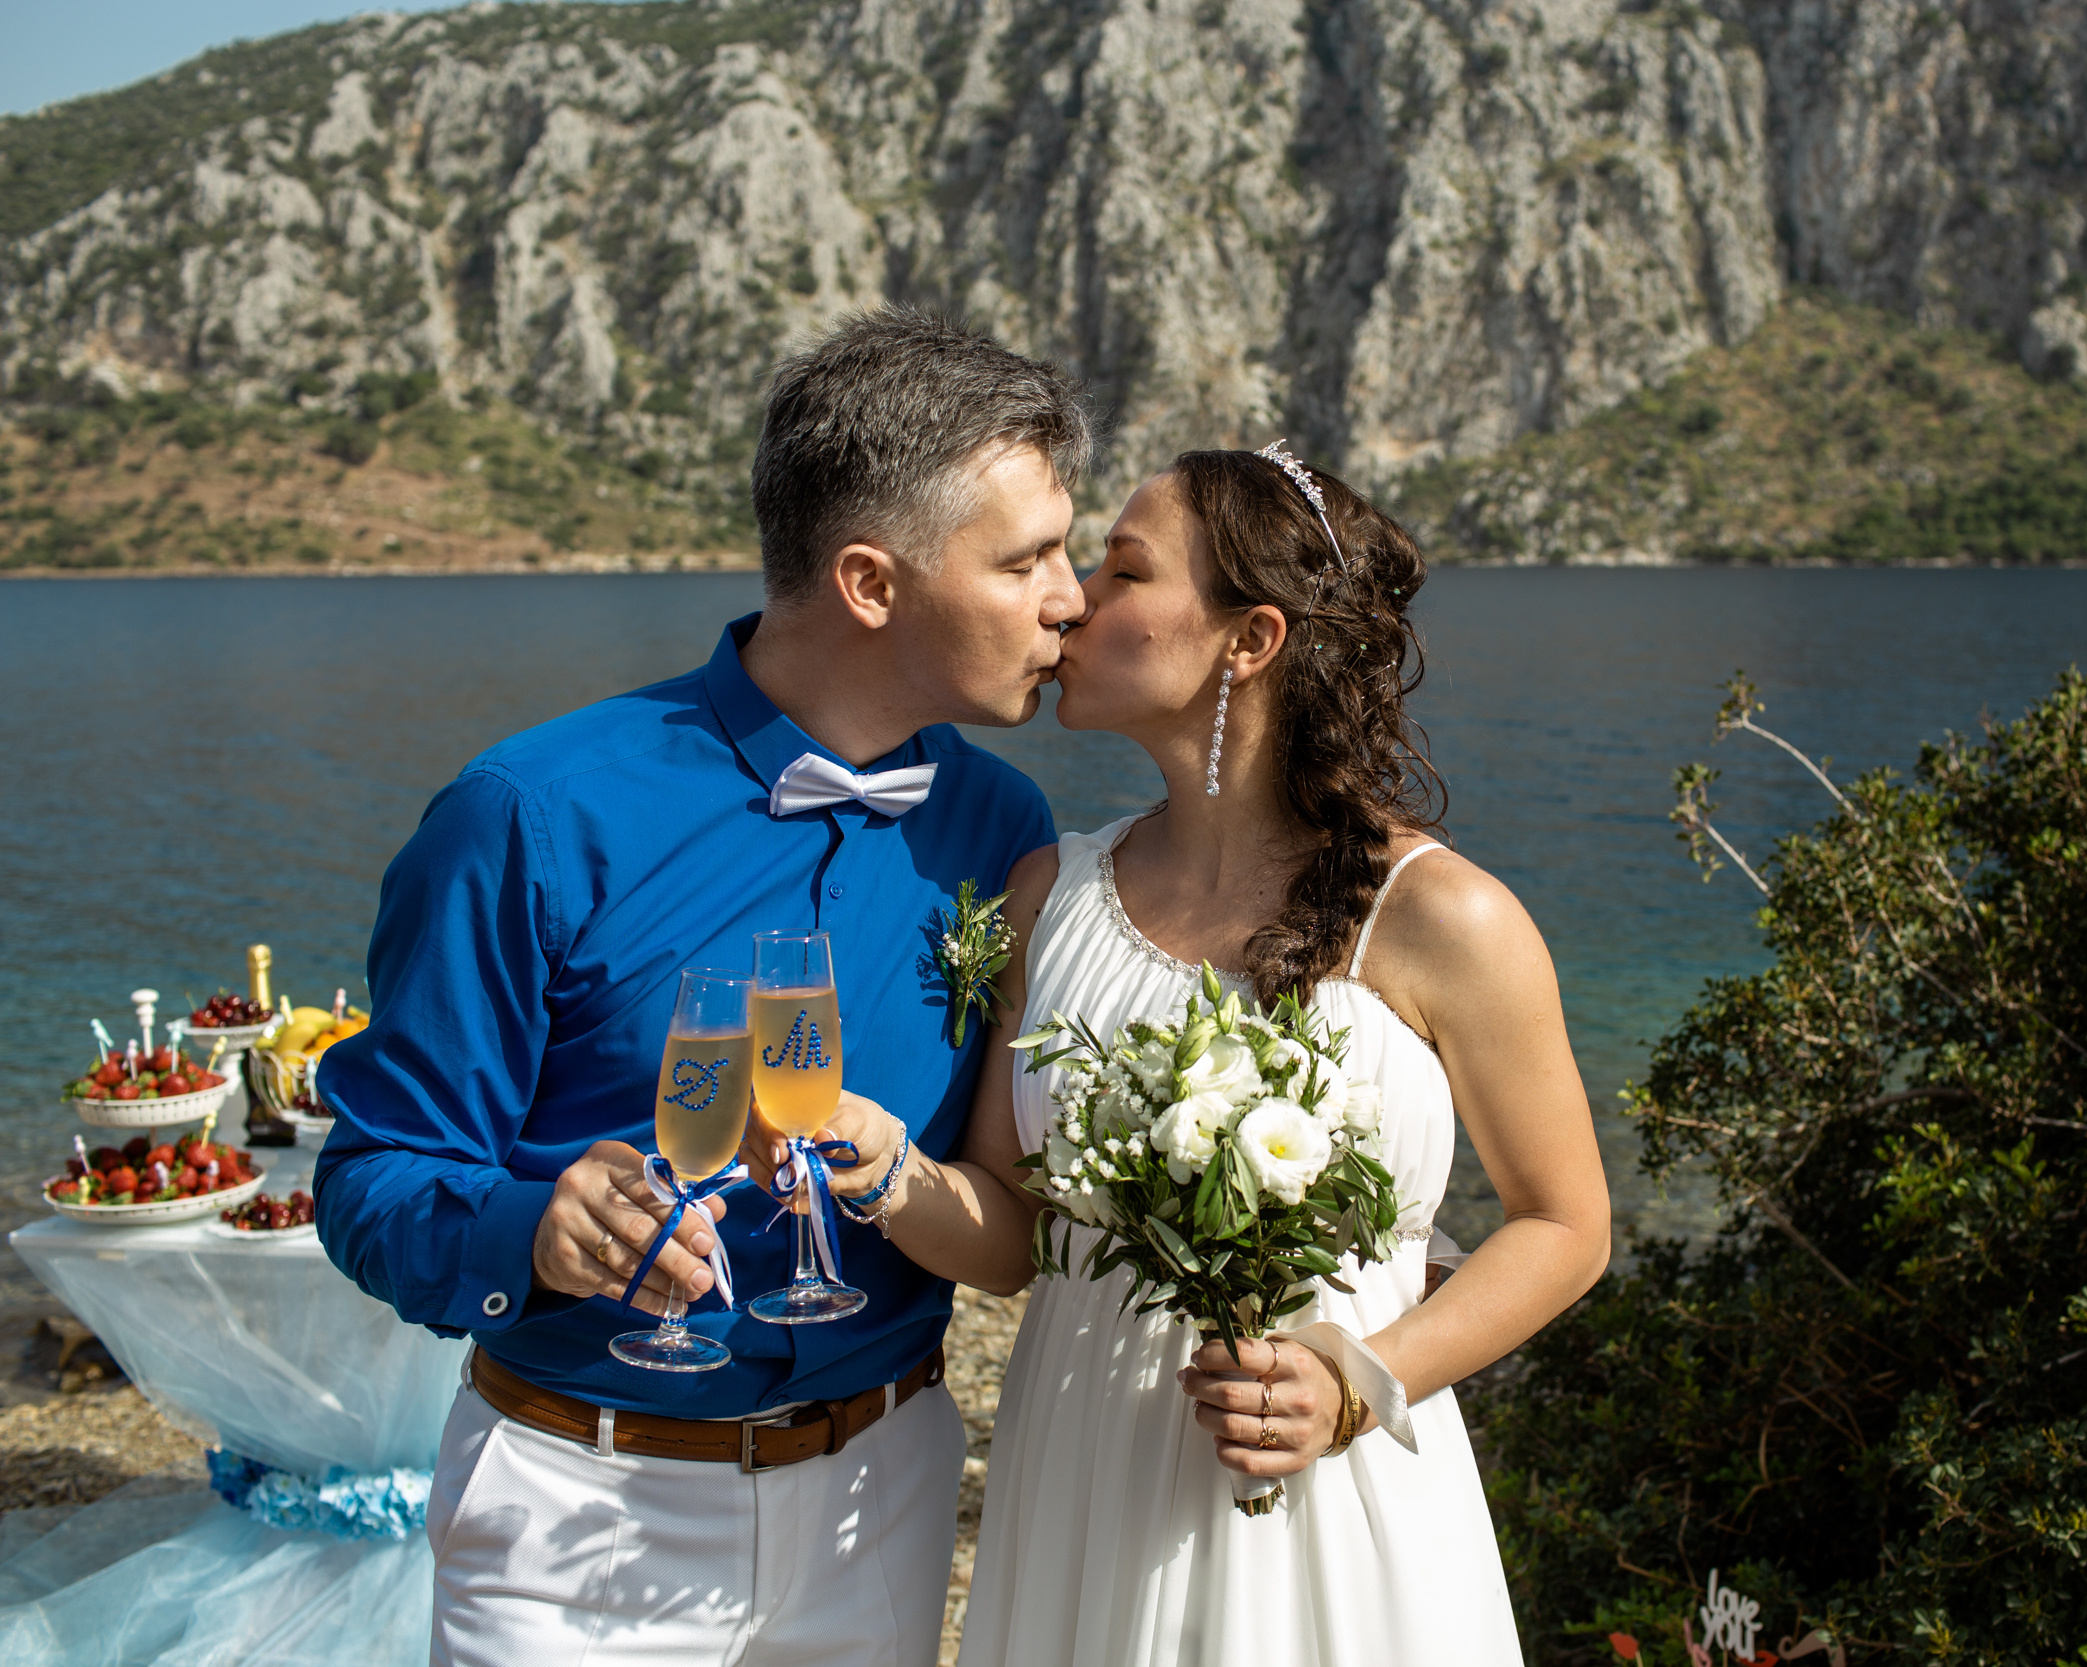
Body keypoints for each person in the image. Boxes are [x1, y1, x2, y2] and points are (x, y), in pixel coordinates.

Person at [312, 306, 1089, 1666]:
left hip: (884, 1496)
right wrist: (532, 1228)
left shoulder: (1003, 830)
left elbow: (1002, 1208)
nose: (1070, 598)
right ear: (870, 582)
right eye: (1026, 559)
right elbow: (372, 1178)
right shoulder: (530, 813)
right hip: (577, 1512)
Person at [799, 445, 1614, 1663]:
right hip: (1084, 1473)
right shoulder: (1048, 894)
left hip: (1325, 1489)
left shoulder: (1444, 918)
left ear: (1251, 638)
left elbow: (1565, 1225)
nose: (1072, 599)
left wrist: (1355, 1383)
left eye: (1123, 570)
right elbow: (1012, 1239)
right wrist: (886, 1172)